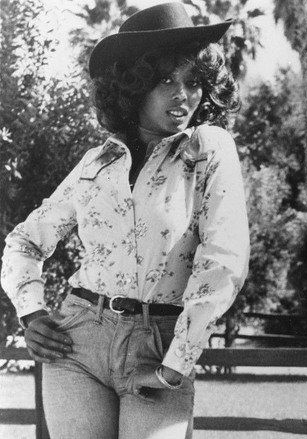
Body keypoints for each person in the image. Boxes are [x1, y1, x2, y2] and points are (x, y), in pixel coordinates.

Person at [0, 3, 249, 438]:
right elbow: (24, 241)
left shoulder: (208, 149)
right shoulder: (97, 162)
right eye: (166, 80)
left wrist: (178, 362)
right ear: (133, 87)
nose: (183, 95)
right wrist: (32, 313)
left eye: (193, 82)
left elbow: (224, 259)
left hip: (160, 347)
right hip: (77, 343)